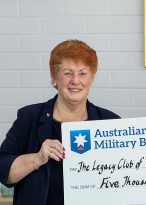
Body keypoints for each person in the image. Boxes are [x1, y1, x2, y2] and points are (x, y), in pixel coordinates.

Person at [0, 39, 120, 205]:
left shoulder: (110, 121)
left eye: (83, 73)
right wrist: (37, 158)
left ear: (92, 78)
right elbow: (4, 170)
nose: (75, 81)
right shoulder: (29, 117)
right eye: (67, 73)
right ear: (54, 77)